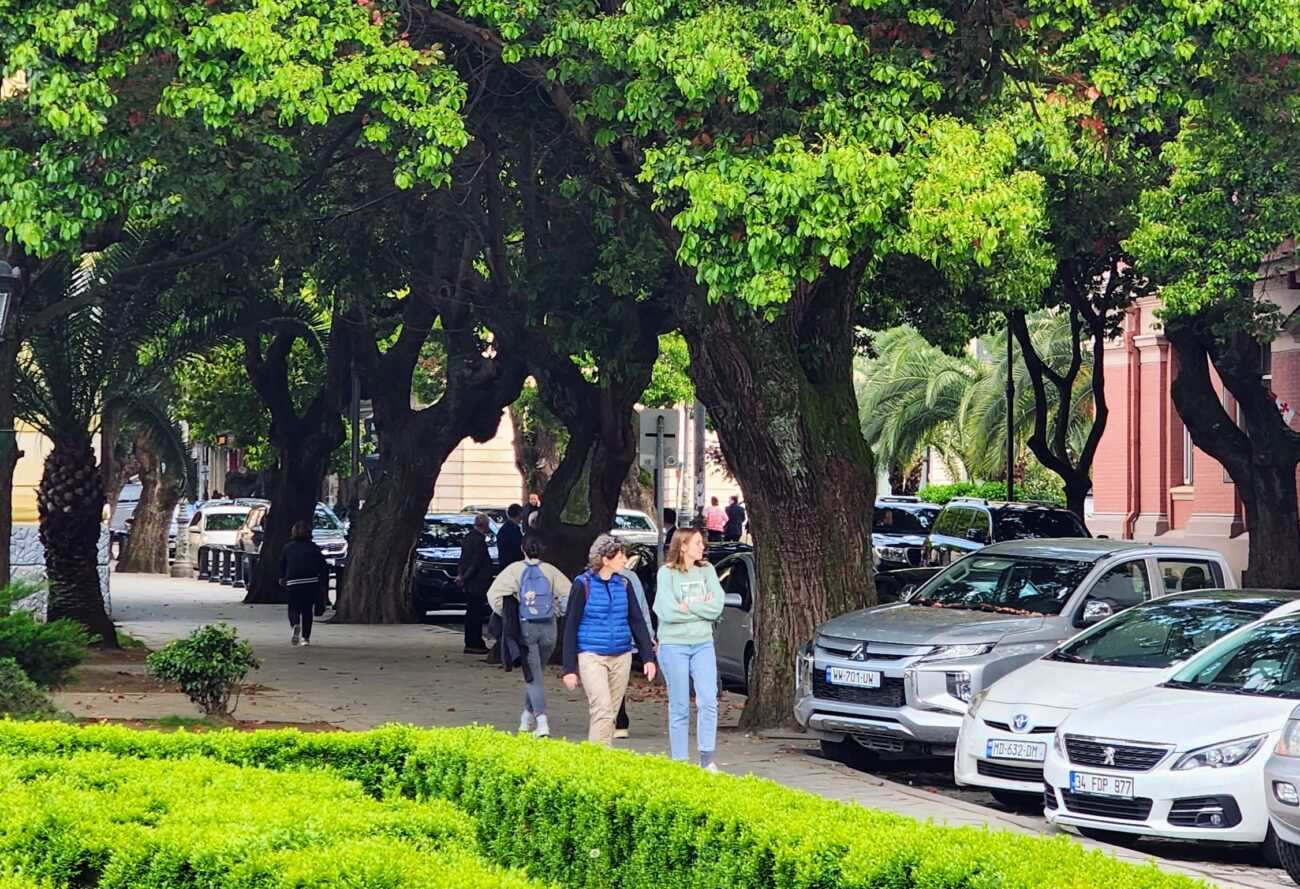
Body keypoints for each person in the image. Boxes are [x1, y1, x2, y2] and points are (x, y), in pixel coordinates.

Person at [562, 534, 657, 745]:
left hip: (621, 655)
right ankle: (596, 762)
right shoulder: (582, 585)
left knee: (610, 714)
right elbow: (570, 626)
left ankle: (603, 757)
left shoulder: (624, 584)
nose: (625, 560)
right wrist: (569, 668)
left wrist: (648, 657)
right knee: (602, 710)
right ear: (605, 559)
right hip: (592, 654)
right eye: (621, 556)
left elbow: (636, 621)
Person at [653, 527, 724, 770]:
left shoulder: (707, 571)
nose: (701, 547)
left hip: (703, 643)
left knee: (708, 700)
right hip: (674, 645)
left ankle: (707, 759)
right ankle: (680, 762)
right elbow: (666, 611)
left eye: (701, 543)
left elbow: (717, 606)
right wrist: (699, 608)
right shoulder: (667, 574)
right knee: (680, 704)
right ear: (682, 546)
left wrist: (688, 606)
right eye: (696, 543)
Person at [488, 536, 570, 737]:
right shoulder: (550, 571)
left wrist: (509, 614)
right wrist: (557, 611)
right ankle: (526, 716)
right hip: (549, 629)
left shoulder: (514, 570)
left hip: (526, 628)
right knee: (536, 672)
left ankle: (542, 722)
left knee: (534, 676)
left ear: (522, 549)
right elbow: (569, 592)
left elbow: (494, 595)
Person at [613, 566, 654, 739]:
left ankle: (617, 719)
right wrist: (648, 636)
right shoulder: (629, 577)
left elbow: (640, 610)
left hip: (619, 637)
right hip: (623, 636)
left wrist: (647, 637)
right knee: (616, 680)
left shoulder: (627, 578)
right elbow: (642, 609)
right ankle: (618, 720)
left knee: (615, 680)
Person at [281, 520, 327, 647]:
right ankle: (305, 638)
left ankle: (295, 624)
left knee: (293, 608)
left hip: (293, 581)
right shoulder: (314, 547)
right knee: (307, 611)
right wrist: (322, 582)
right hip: (311, 582)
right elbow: (322, 566)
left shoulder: (288, 547)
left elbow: (282, 565)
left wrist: (282, 577)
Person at [456, 513, 493, 654]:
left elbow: (463, 559)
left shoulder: (468, 538)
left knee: (472, 612)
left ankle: (471, 641)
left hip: (470, 581)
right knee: (475, 613)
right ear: (484, 525)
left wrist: (461, 576)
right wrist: (464, 577)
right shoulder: (479, 540)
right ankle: (475, 642)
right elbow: (476, 563)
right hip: (477, 582)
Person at [497, 503, 525, 569]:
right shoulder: (513, 530)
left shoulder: (504, 528)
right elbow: (517, 549)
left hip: (506, 565)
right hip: (512, 566)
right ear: (519, 513)